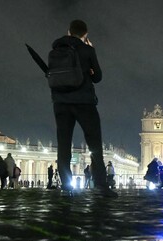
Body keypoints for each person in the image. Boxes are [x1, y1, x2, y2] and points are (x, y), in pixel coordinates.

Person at [50, 20, 116, 197]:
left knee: (63, 144)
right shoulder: (88, 50)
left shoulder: (55, 51)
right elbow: (98, 77)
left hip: (60, 103)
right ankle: (101, 185)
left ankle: (66, 185)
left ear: (68, 31)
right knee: (94, 144)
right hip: (84, 102)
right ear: (85, 35)